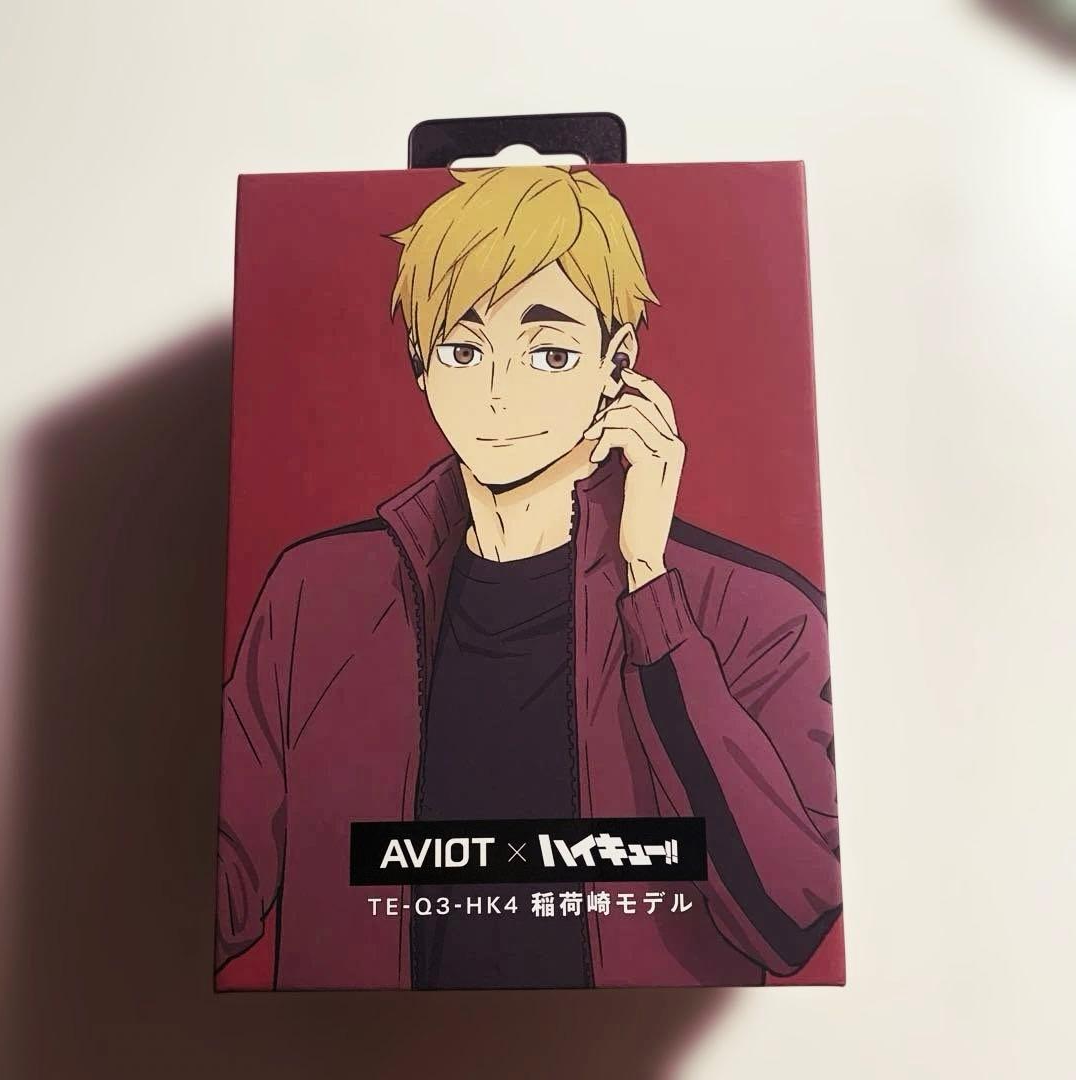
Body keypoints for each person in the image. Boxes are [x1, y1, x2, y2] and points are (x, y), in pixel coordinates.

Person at [216, 165, 842, 989]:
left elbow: (788, 919)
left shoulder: (756, 616)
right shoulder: (318, 595)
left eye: (550, 352)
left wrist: (650, 588)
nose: (498, 395)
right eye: (462, 350)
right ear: (420, 364)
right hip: (359, 1046)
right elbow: (221, 886)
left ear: (618, 364)